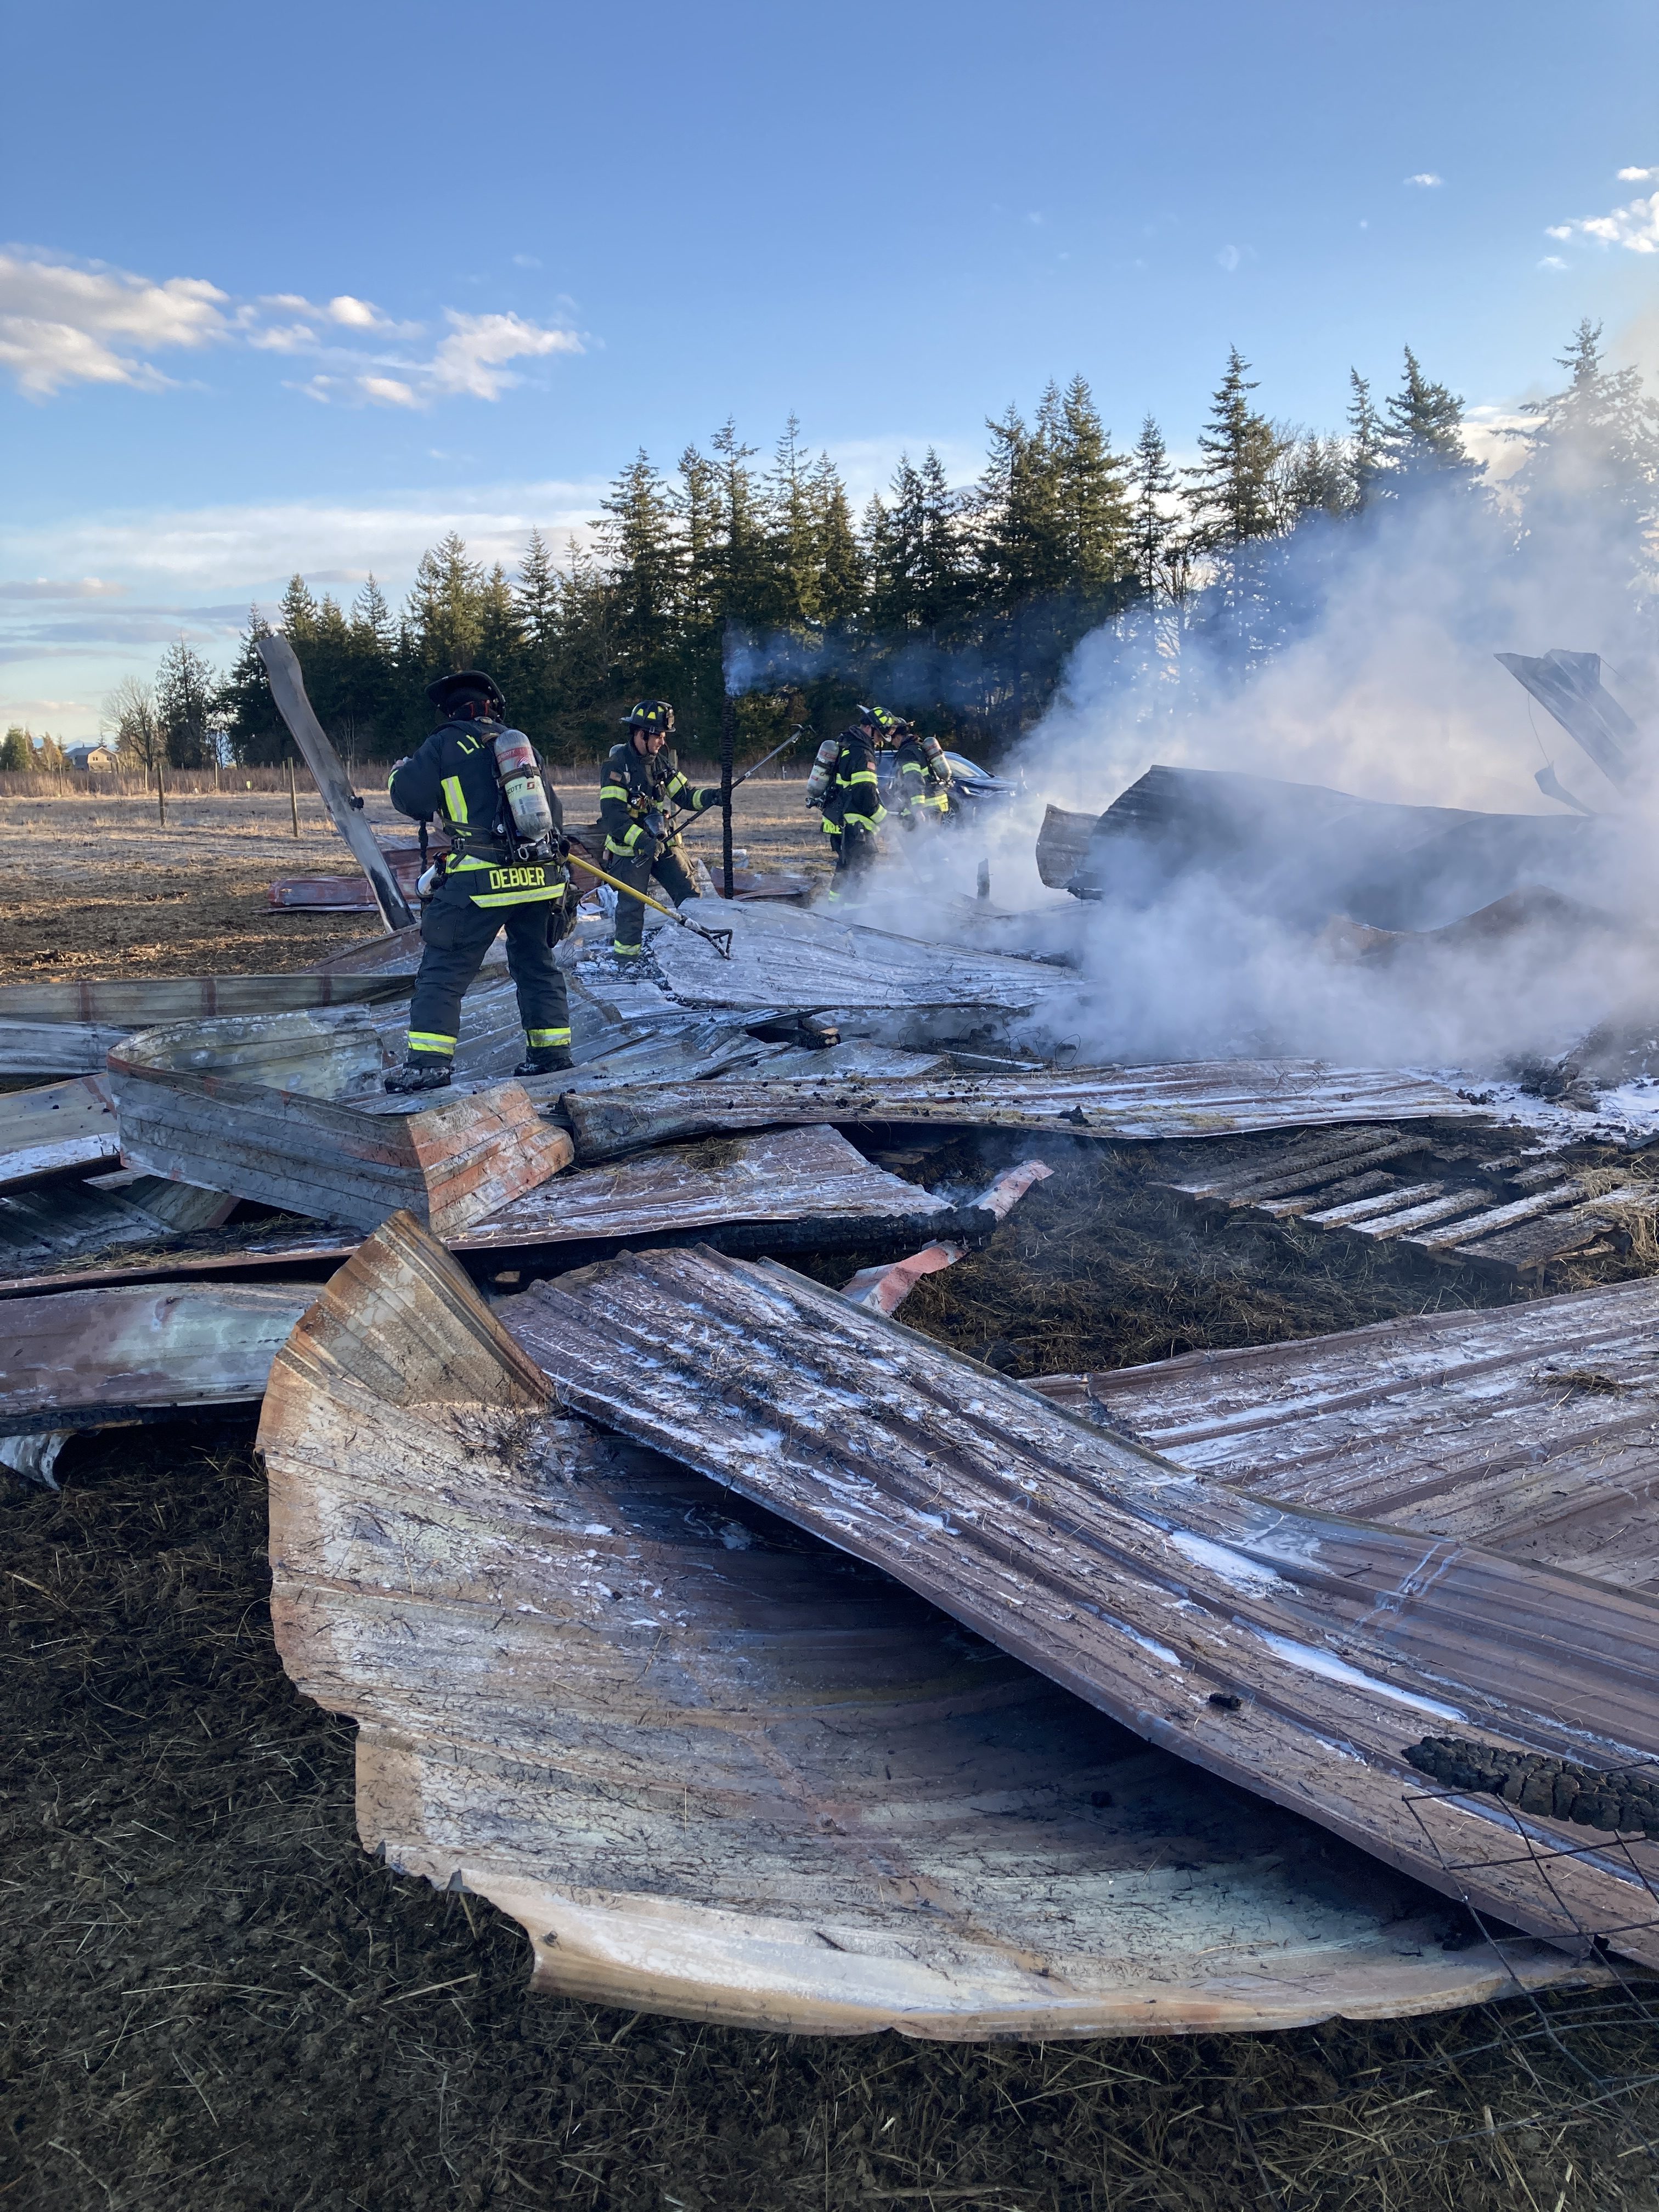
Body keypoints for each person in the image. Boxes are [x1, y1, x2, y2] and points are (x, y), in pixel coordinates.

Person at [382, 669, 574, 1092]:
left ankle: (428, 1065)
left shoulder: (444, 743)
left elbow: (411, 798)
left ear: (450, 710)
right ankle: (551, 1056)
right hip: (539, 878)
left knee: (443, 971)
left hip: (480, 879)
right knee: (537, 965)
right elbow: (553, 816)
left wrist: (397, 773)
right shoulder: (521, 749)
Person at [599, 701, 719, 972]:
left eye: (665, 735)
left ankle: (697, 948)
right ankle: (626, 961)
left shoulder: (661, 763)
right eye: (659, 735)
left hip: (663, 843)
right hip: (631, 850)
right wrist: (643, 841)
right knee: (632, 906)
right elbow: (614, 818)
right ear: (641, 734)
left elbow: (686, 795)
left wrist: (713, 796)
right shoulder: (617, 767)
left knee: (690, 895)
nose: (663, 741)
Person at [808, 703, 890, 904]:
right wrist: (884, 818)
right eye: (879, 736)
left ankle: (835, 908)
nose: (880, 742)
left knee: (845, 868)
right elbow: (865, 793)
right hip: (854, 824)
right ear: (870, 729)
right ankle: (855, 914)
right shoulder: (862, 754)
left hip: (839, 820)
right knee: (862, 871)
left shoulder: (847, 745)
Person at [889, 718, 955, 828]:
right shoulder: (918, 748)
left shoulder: (908, 753)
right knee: (933, 840)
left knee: (920, 842)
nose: (893, 744)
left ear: (899, 737)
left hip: (926, 807)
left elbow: (914, 781)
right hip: (936, 802)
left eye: (893, 740)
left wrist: (918, 809)